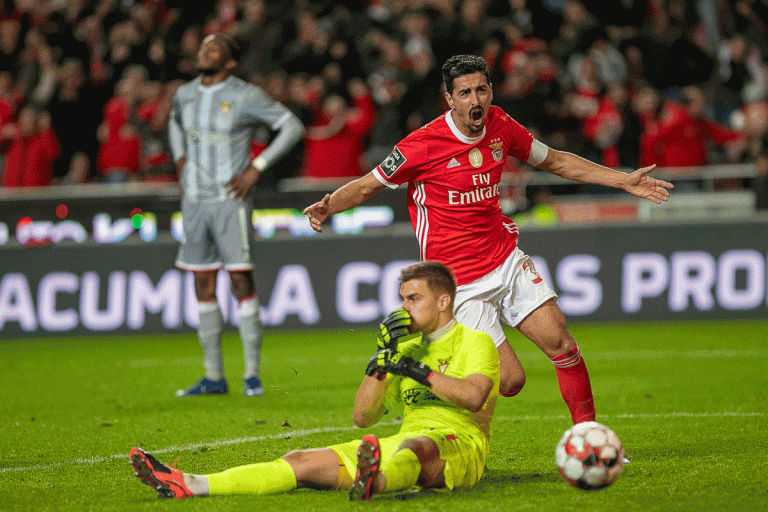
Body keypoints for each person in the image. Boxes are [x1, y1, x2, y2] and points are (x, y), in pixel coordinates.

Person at [303, 54, 673, 428]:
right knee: (510, 381)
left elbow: (557, 161)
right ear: (449, 99)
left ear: (491, 91)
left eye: (481, 90)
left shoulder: (501, 125)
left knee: (561, 343)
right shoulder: (421, 145)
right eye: (464, 93)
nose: (475, 100)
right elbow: (367, 185)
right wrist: (327, 207)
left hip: (503, 258)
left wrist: (622, 180)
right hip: (459, 282)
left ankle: (588, 434)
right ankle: (421, 378)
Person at [130, 261, 499, 500]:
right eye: (402, 299)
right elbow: (363, 417)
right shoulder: (405, 349)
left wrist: (414, 370)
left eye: (414, 299)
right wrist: (383, 359)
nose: (403, 308)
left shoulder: (474, 340)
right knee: (300, 460)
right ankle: (191, 483)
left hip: (460, 445)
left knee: (417, 448)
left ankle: (376, 483)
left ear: (443, 301)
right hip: (400, 440)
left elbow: (473, 397)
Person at [168, 33, 305, 398]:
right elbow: (174, 122)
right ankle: (214, 377)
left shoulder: (246, 95)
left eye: (214, 49)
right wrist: (180, 160)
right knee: (202, 283)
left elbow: (291, 127)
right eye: (202, 46)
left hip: (230, 200)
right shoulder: (185, 94)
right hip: (195, 201)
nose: (204, 51)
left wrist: (256, 167)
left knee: (241, 280)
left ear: (229, 61)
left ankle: (251, 375)